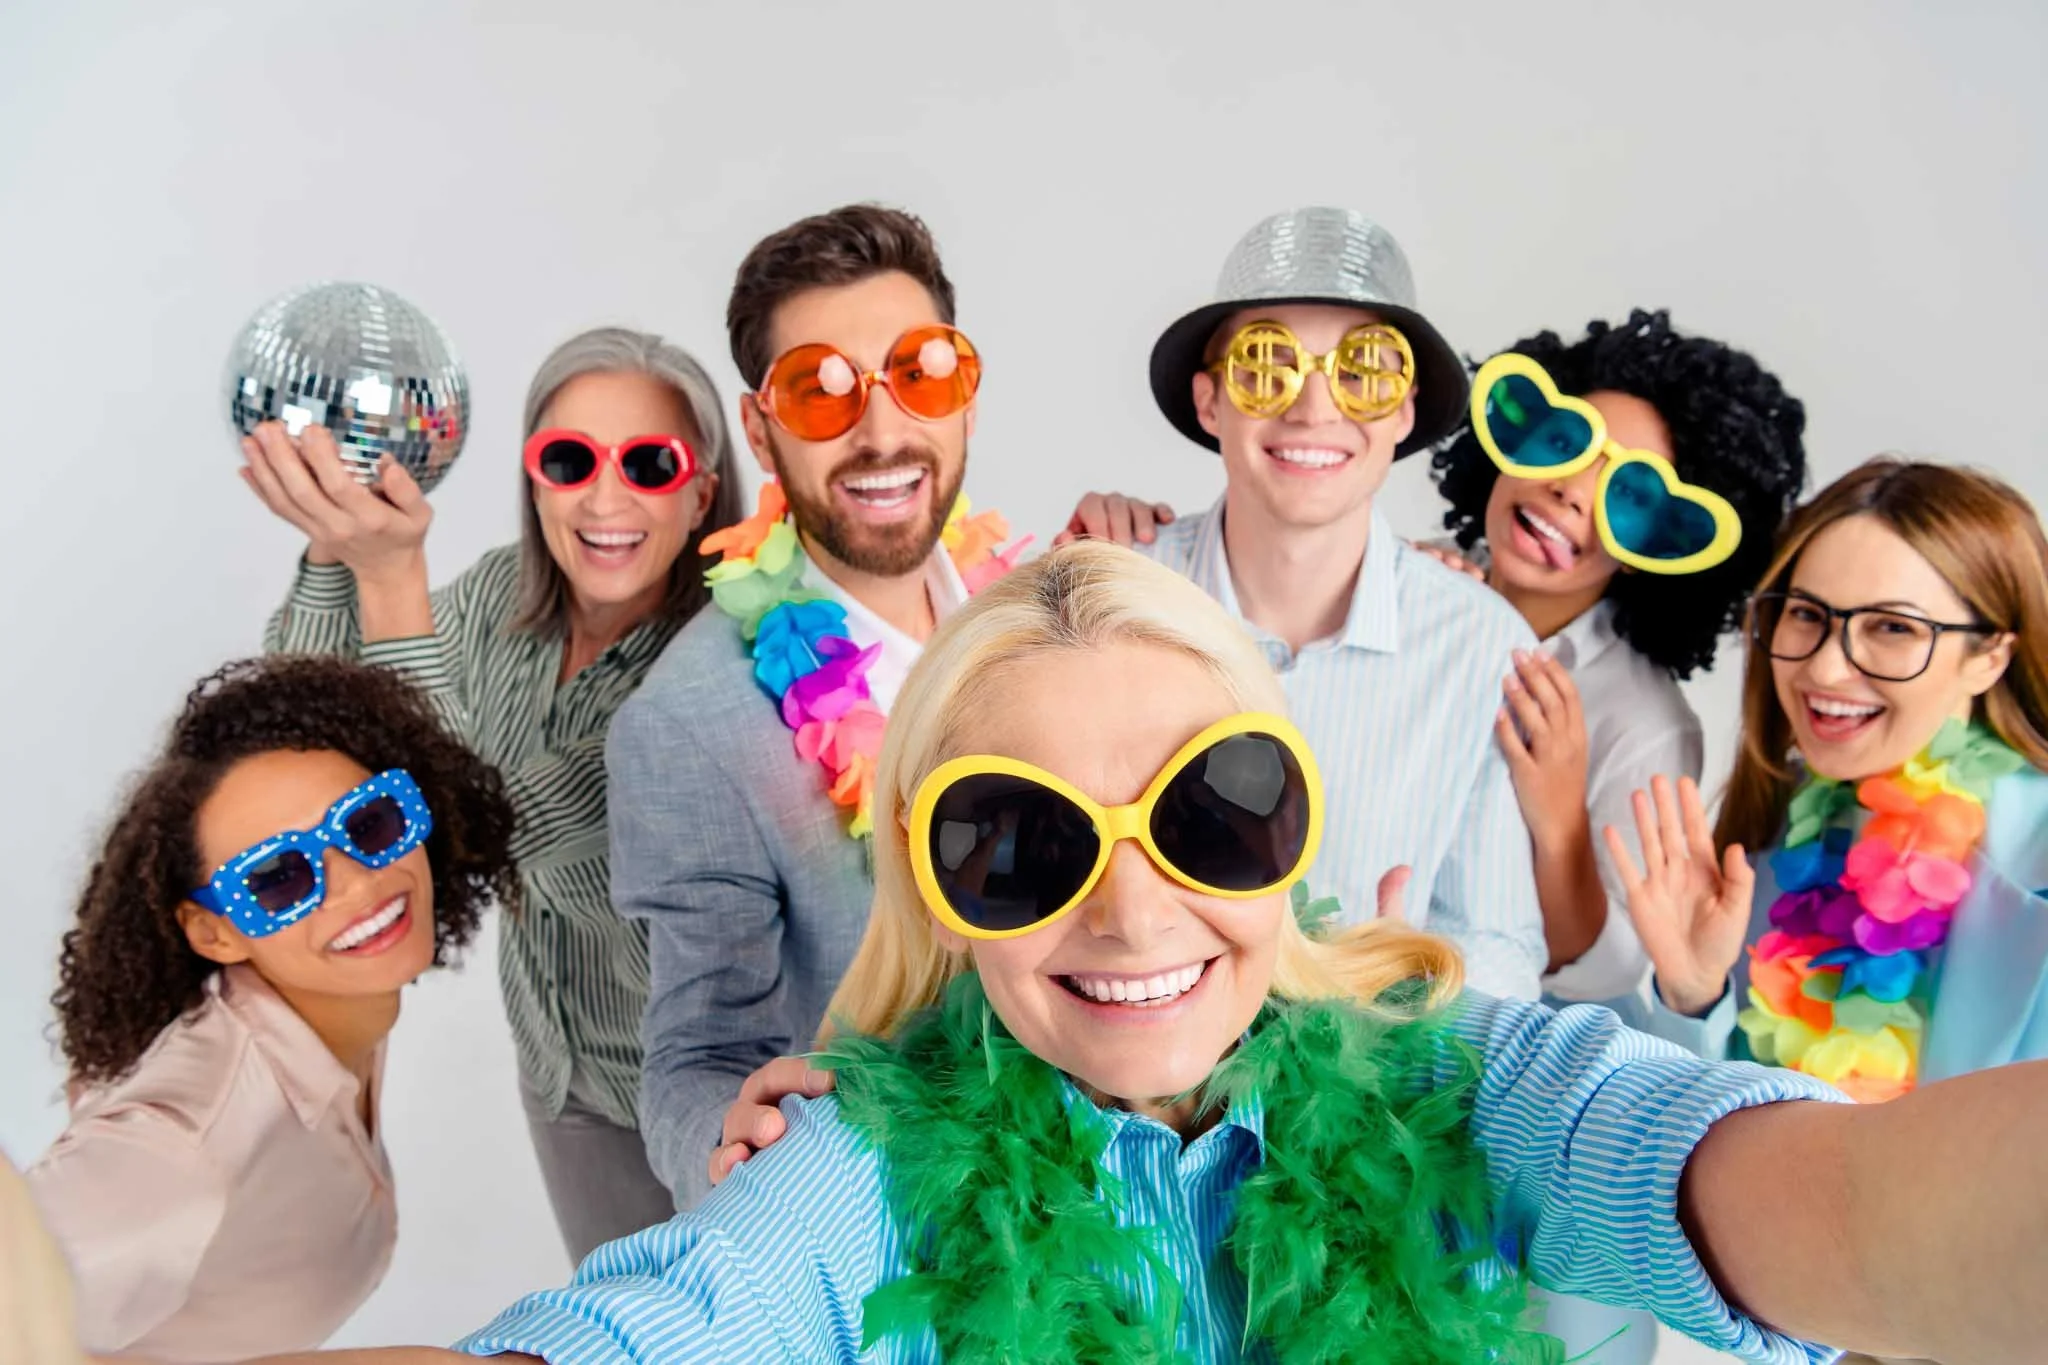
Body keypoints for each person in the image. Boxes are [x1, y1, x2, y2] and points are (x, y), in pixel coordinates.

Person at [161, 544, 2048, 1365]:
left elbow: (1838, 1204)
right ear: (926, 871)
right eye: (1016, 840)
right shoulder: (848, 1174)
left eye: (1212, 813)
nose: (1132, 915)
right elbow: (634, 1338)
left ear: (1296, 822)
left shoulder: (1480, 1080)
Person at [245, 327, 740, 1260]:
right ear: (534, 479)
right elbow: (298, 736)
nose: (605, 498)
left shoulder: (710, 679)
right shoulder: (490, 601)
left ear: (701, 493)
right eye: (568, 460)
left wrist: (390, 578)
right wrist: (329, 549)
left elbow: (467, 832)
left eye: (648, 464)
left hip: (707, 1095)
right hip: (563, 1077)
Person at [608, 204, 1029, 1207]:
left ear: (964, 395)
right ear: (759, 430)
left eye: (918, 373)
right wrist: (725, 1136)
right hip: (915, 1216)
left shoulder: (1033, 610)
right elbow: (698, 1051)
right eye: (818, 392)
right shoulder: (689, 723)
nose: (881, 433)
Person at [1418, 312, 1808, 1361]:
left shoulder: (1640, 720)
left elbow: (1601, 979)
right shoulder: (1394, 580)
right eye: (1555, 446)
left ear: (1663, 547)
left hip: (1497, 1116)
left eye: (1627, 494)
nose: (1566, 494)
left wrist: (1552, 815)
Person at [1069, 206, 1549, 1000]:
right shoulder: (1108, 600)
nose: (1313, 409)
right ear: (1210, 402)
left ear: (1401, 410)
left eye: (1362, 373)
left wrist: (1412, 979)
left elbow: (1502, 941)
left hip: (1377, 1087)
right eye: (1268, 366)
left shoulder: (1480, 646)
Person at [25, 656, 516, 1362]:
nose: (355, 885)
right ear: (213, 930)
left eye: (370, 824)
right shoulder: (179, 1143)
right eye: (278, 878)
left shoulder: (333, 1007)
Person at [1614, 459, 2048, 1092]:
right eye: (1808, 615)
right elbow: (1727, 1136)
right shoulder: (1778, 830)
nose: (1825, 670)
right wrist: (1693, 999)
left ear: (1989, 658)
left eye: (1893, 627)